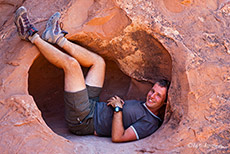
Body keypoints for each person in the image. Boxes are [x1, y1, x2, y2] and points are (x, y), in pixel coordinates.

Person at [14, 6, 170, 143]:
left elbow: (118, 137)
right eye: (153, 91)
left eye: (158, 96)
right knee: (99, 63)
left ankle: (29, 35)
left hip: (84, 120)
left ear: (164, 103)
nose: (152, 96)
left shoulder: (150, 123)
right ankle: (56, 38)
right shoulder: (144, 105)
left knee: (72, 66)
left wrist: (118, 109)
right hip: (93, 105)